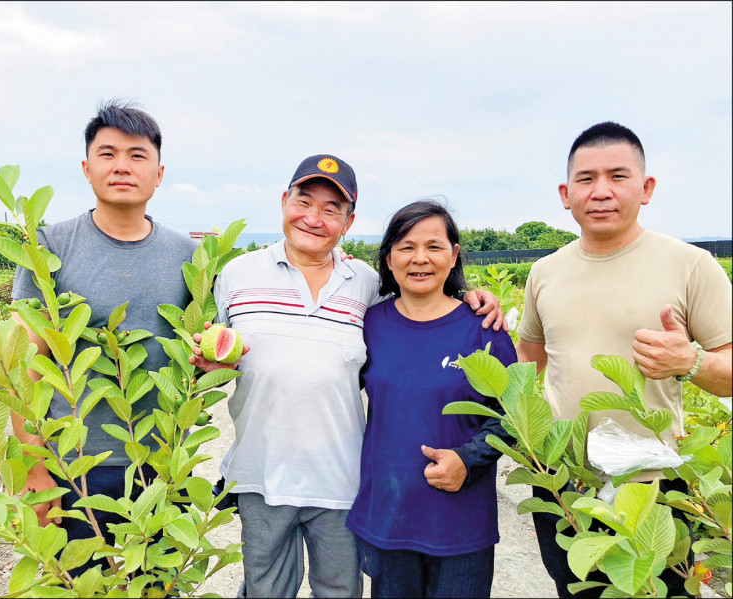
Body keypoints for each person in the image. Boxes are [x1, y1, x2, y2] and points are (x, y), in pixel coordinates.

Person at [188, 155, 505, 598]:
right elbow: (210, 355)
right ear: (284, 201)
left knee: (341, 591)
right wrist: (206, 366)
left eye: (331, 208)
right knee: (264, 590)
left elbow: (423, 300)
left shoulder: (366, 285)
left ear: (349, 221)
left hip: (343, 480)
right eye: (304, 201)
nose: (314, 218)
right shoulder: (235, 275)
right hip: (260, 473)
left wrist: (473, 295)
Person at [515, 121, 732, 597]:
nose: (601, 191)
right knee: (575, 589)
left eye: (618, 176)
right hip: (565, 484)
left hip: (655, 485)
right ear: (565, 193)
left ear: (646, 188)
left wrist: (690, 362)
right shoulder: (545, 273)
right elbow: (525, 362)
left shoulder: (691, 265)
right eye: (586, 179)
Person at [11, 100, 200, 571]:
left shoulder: (190, 256)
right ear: (86, 168)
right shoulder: (50, 247)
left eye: (137, 155)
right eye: (108, 153)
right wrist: (34, 468)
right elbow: (21, 364)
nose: (122, 166)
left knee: (156, 584)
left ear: (159, 173)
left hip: (160, 465)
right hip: (73, 466)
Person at [344, 200, 517, 598]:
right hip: (388, 518)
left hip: (460, 525)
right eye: (406, 247)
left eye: (434, 246)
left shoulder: (483, 330)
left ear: (454, 255)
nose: (419, 258)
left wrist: (467, 459)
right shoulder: (369, 325)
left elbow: (512, 417)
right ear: (388, 258)